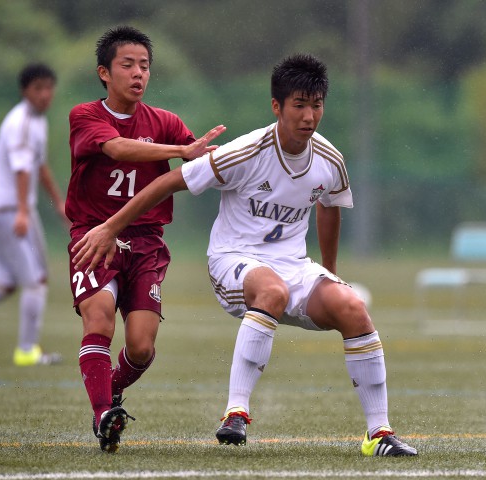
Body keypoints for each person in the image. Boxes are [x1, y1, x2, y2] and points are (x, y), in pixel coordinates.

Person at [71, 53, 417, 457]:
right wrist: (111, 227)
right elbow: (169, 181)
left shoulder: (330, 160)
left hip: (294, 268)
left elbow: (328, 206)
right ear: (277, 106)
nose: (309, 116)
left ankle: (379, 435)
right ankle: (235, 413)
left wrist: (330, 273)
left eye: (317, 105)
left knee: (354, 307)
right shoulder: (246, 151)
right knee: (270, 291)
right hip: (233, 261)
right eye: (299, 105)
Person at [65, 26, 225, 453]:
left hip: (147, 243)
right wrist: (175, 151)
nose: (138, 73)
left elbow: (199, 162)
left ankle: (111, 392)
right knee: (97, 320)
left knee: (140, 346)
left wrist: (233, 157)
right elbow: (117, 149)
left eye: (145, 66)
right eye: (128, 65)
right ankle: (102, 415)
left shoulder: (167, 123)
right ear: (104, 72)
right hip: (95, 237)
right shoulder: (84, 116)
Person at [0, 63, 66, 367]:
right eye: (39, 88)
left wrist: (59, 202)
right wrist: (23, 212)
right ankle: (26, 351)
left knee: (6, 281)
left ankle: (27, 348)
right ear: (25, 91)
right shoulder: (20, 122)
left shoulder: (37, 121)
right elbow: (22, 169)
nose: (45, 94)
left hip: (12, 209)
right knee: (34, 281)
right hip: (11, 210)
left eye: (49, 87)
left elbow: (39, 165)